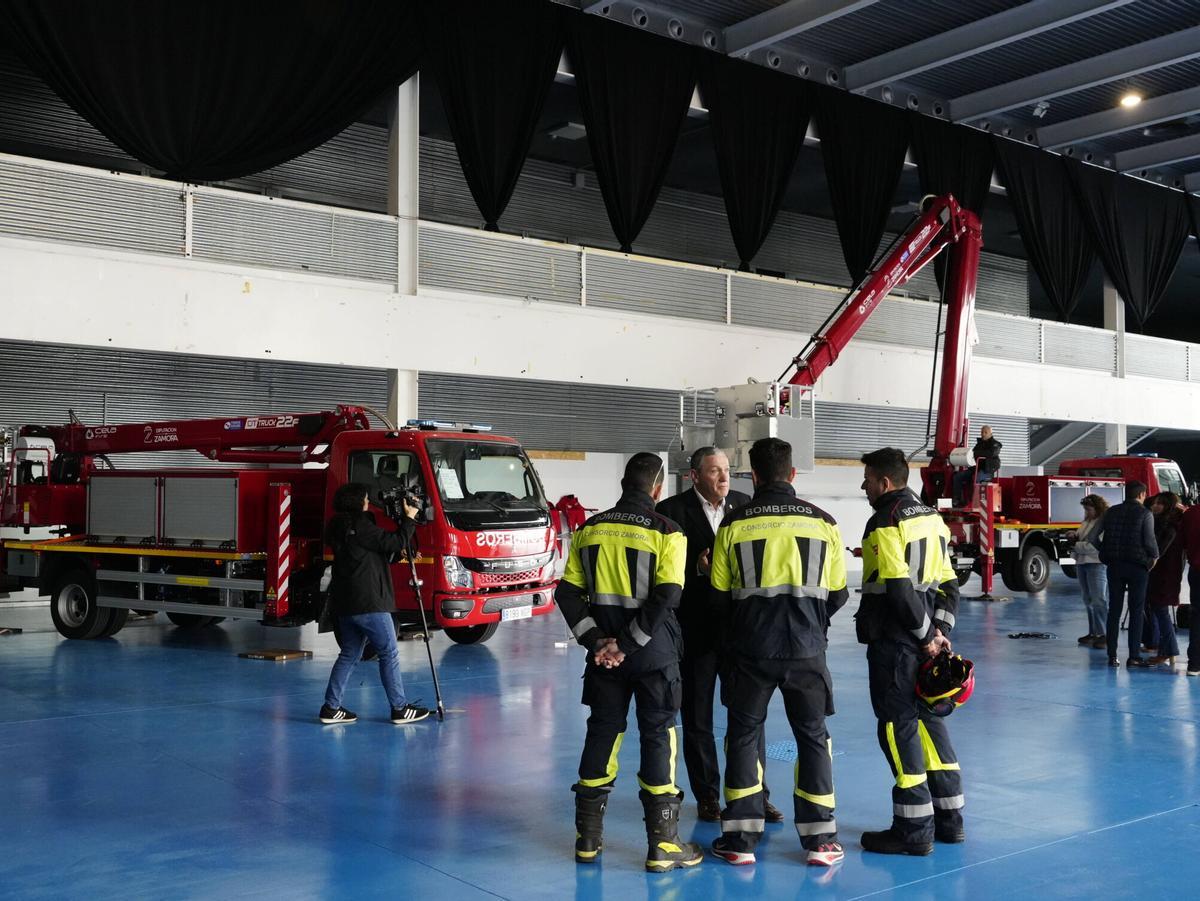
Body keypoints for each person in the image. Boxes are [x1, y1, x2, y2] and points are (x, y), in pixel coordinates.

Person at [555, 452, 702, 872]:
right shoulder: (668, 532)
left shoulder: (590, 529)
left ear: (624, 483)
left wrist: (598, 641)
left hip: (603, 659)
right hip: (652, 656)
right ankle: (663, 846)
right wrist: (629, 642)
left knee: (602, 731)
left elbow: (566, 593)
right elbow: (667, 596)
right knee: (658, 736)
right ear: (657, 488)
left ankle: (587, 841)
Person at [708, 437, 848, 868]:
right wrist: (811, 621)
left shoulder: (734, 524)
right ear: (792, 474)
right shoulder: (824, 523)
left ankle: (739, 839)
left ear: (753, 475)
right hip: (807, 651)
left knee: (744, 738)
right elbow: (839, 594)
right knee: (813, 738)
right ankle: (820, 840)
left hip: (750, 652)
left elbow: (718, 598)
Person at [655, 447, 783, 825]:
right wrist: (697, 565)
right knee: (698, 719)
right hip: (695, 632)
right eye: (714, 471)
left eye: (726, 470)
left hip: (740, 632)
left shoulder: (745, 506)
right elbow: (664, 574)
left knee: (748, 718)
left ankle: (755, 794)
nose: (724, 477)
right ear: (694, 476)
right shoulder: (672, 513)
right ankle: (707, 796)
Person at [857, 447, 964, 856]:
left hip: (896, 642)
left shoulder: (884, 520)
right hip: (926, 642)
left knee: (897, 729)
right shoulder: (933, 519)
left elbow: (900, 589)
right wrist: (939, 633)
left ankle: (913, 830)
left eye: (867, 479)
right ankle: (950, 821)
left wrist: (922, 636)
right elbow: (949, 585)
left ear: (884, 482)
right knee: (932, 728)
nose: (864, 486)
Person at [319, 482, 431, 725]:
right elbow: (395, 541)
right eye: (366, 499)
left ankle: (331, 707)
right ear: (358, 503)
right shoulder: (362, 525)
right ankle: (400, 708)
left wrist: (396, 551)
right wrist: (409, 518)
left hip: (345, 604)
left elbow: (373, 553)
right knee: (388, 652)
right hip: (369, 604)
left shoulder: (339, 527)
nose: (369, 502)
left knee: (349, 653)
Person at [1098, 480, 1159, 669]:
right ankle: (1133, 656)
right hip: (1137, 567)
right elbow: (1149, 541)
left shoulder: (1111, 512)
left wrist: (1104, 551)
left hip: (1114, 565)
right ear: (1141, 495)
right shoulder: (1145, 513)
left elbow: (1092, 536)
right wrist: (1154, 557)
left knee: (1113, 611)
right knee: (1136, 611)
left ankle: (1112, 656)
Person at [1147, 493, 1185, 669]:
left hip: (1165, 574)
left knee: (1161, 611)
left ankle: (1168, 650)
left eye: (1159, 504)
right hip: (1162, 573)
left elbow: (1159, 551)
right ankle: (1165, 649)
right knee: (1159, 610)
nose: (1155, 506)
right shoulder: (1166, 522)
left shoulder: (1170, 526)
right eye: (1155, 503)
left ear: (1167, 506)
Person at [1073, 495, 1109, 649]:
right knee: (1087, 599)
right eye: (1085, 509)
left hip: (1097, 563)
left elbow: (1094, 546)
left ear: (1098, 508)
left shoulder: (1103, 524)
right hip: (1082, 562)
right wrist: (1074, 536)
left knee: (1099, 599)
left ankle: (1104, 634)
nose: (1086, 512)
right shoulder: (1086, 522)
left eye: (1089, 509)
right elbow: (1083, 539)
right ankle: (1093, 632)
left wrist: (1075, 544)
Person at [1182, 500, 1200, 677]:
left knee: (1197, 617)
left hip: (1196, 571)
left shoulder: (1189, 514)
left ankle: (1194, 664)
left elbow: (1183, 542)